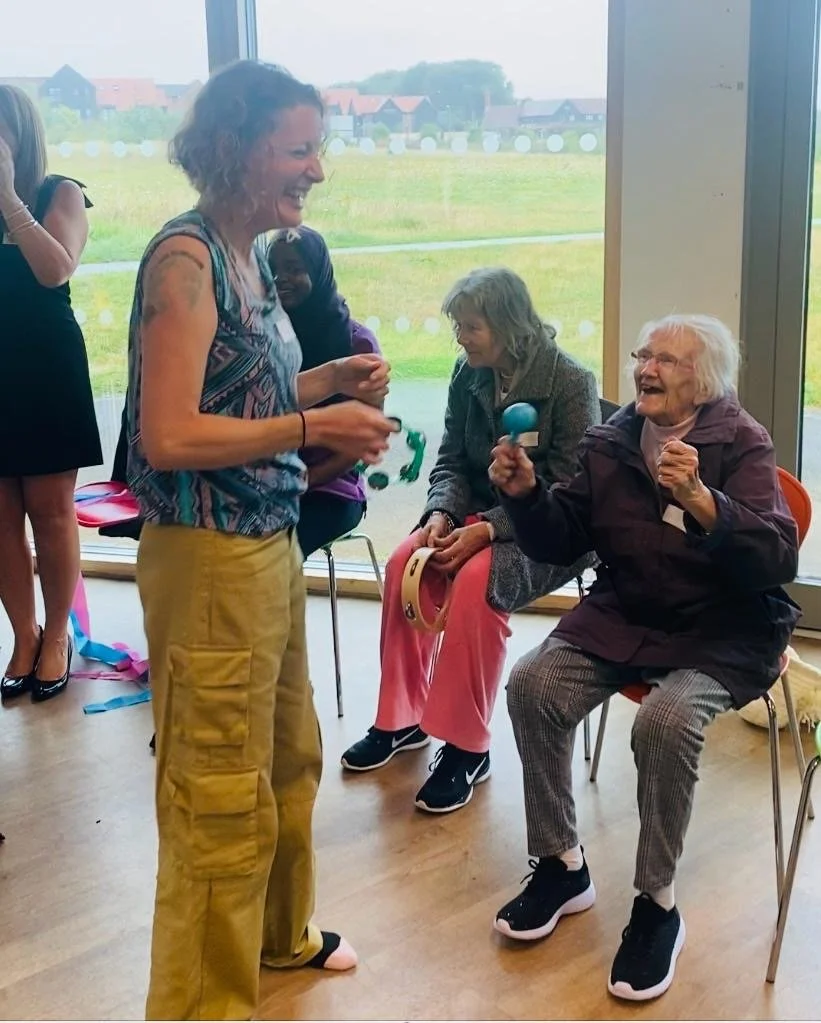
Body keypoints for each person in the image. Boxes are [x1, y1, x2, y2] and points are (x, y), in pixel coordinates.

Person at [126, 61, 397, 1021]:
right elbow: (169, 435)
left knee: (288, 756)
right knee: (216, 795)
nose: (316, 168)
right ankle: (202, 1005)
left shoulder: (249, 254)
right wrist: (314, 429)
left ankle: (280, 935)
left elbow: (231, 394)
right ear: (238, 150)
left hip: (264, 543)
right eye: (298, 148)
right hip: (207, 556)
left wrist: (320, 381)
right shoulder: (185, 261)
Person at [488, 313, 800, 1002]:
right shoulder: (611, 438)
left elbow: (777, 555)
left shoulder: (741, 441)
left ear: (704, 379)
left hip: (725, 627)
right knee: (531, 683)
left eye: (666, 360)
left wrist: (700, 499)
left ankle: (655, 903)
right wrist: (526, 495)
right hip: (627, 610)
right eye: (643, 355)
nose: (645, 370)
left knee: (662, 723)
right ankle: (560, 863)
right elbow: (562, 535)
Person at [341, 267, 600, 813]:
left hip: (548, 528)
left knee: (477, 582)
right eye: (458, 325)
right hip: (477, 513)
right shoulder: (469, 373)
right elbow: (452, 461)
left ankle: (466, 746)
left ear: (509, 325)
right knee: (402, 562)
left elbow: (574, 491)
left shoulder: (571, 382)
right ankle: (401, 718)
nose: (460, 337)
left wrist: (490, 530)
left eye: (471, 326)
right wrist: (439, 513)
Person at [0, 85, 102, 704]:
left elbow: (54, 269)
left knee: (51, 510)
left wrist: (9, 198)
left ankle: (58, 635)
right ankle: (22, 634)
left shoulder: (58, 193)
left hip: (44, 366)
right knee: (0, 518)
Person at [267, 227, 380, 556]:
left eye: (293, 268)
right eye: (271, 269)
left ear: (318, 270)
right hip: (270, 484)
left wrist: (305, 481)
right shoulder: (262, 337)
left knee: (272, 553)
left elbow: (362, 444)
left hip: (332, 489)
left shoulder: (356, 342)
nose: (280, 278)